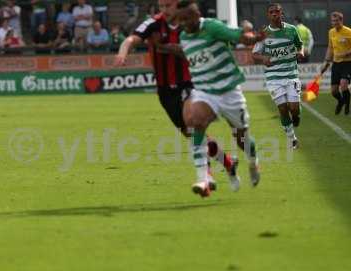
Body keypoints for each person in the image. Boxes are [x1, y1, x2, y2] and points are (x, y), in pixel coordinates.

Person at [116, 0, 240, 195]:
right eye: (161, 6)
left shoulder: (189, 25)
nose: (164, 10)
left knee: (193, 125)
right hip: (165, 91)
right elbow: (132, 39)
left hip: (190, 84)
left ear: (177, 5)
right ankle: (227, 162)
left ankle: (205, 177)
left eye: (168, 6)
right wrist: (123, 52)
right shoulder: (153, 24)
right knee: (191, 134)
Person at [177, 0, 263, 196]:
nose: (187, 21)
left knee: (242, 138)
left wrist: (252, 37)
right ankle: (202, 178)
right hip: (205, 92)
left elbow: (238, 36)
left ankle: (253, 162)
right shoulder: (184, 37)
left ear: (197, 14)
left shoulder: (213, 27)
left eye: (190, 16)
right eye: (183, 19)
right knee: (195, 122)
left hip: (229, 91)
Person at [252, 3, 304, 149]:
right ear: (268, 15)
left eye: (277, 11)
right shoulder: (264, 34)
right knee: (282, 108)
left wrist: (301, 52)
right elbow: (255, 53)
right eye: (271, 12)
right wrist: (263, 59)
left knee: (294, 108)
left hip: (291, 74)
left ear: (282, 13)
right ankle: (292, 138)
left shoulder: (292, 30)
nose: (274, 14)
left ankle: (296, 115)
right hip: (274, 77)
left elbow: (300, 45)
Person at [320, 11, 351, 115]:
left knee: (343, 85)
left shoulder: (349, 32)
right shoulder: (331, 32)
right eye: (333, 21)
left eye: (336, 21)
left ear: (341, 20)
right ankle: (341, 101)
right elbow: (330, 48)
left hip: (347, 63)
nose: (334, 23)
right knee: (334, 91)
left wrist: (347, 53)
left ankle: (347, 105)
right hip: (336, 63)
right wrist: (326, 62)